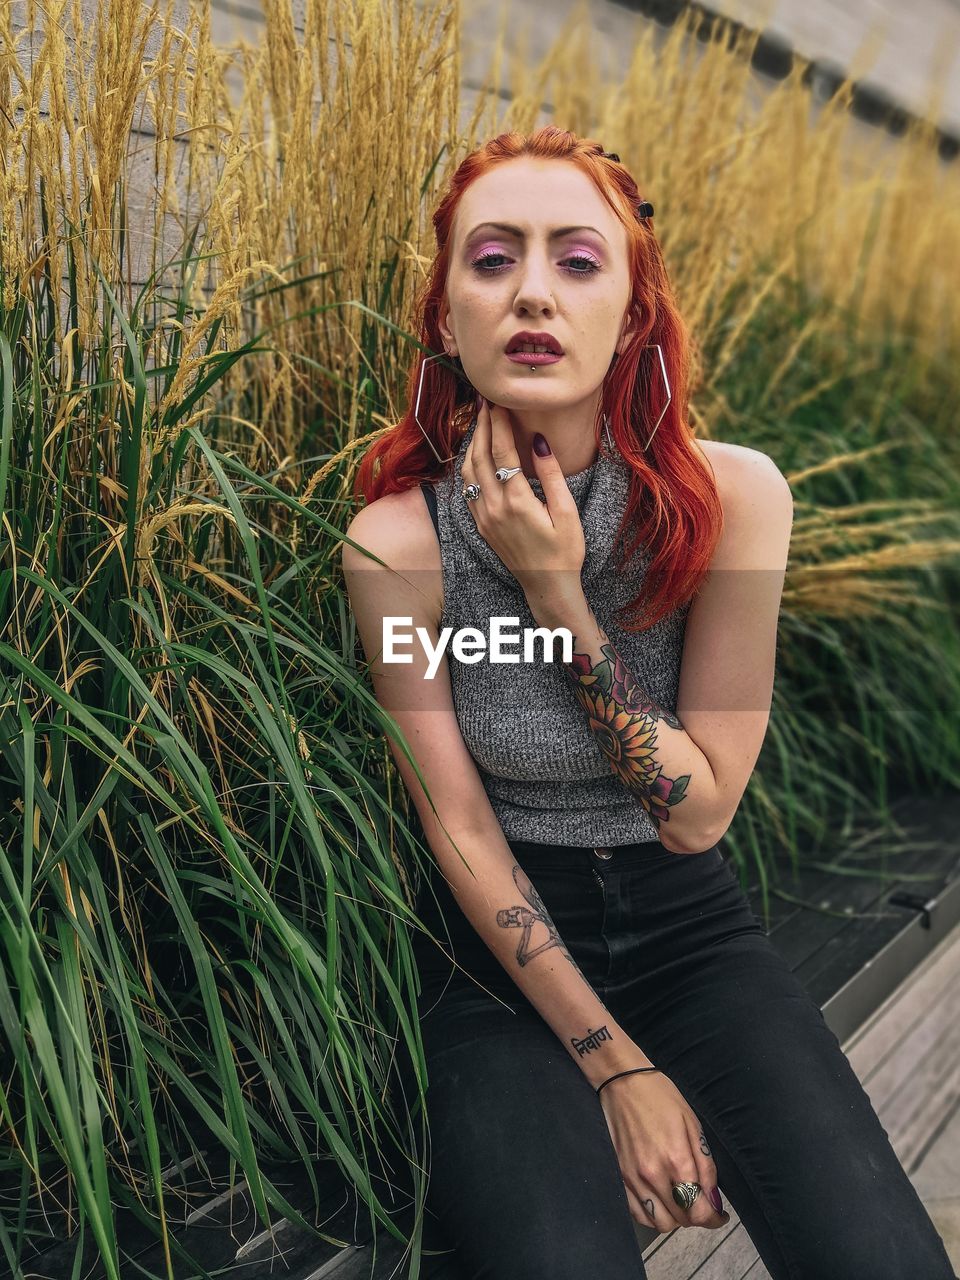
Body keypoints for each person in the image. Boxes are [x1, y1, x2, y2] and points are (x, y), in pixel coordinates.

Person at [340, 125, 955, 1280]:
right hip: (497, 956)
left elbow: (698, 810)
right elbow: (460, 827)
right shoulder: (396, 545)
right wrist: (617, 1064)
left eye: (577, 260)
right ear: (444, 315)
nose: (532, 290)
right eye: (492, 259)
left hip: (689, 927)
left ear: (630, 317)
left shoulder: (733, 499)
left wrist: (556, 592)